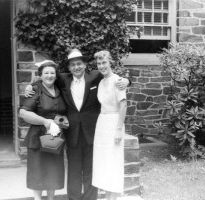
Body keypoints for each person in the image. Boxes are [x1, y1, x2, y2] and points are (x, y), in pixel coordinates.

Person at [24, 49, 130, 200]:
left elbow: (114, 77)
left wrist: (127, 81)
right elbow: (47, 78)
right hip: (71, 130)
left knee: (90, 169)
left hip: (93, 131)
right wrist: (31, 86)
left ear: (85, 64)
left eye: (79, 64)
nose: (76, 67)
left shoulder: (95, 75)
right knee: (73, 169)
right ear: (69, 67)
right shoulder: (63, 79)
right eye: (73, 65)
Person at [19, 60, 67, 200]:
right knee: (38, 170)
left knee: (53, 170)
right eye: (46, 73)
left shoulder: (59, 89)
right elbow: (23, 113)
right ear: (40, 75)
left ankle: (51, 198)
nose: (49, 76)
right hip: (38, 137)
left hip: (55, 137)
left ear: (56, 75)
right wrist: (45, 121)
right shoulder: (35, 90)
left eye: (52, 73)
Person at [92, 50, 127, 200]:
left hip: (114, 123)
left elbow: (123, 105)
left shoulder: (117, 80)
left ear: (110, 62)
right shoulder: (100, 82)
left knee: (113, 162)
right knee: (103, 162)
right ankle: (107, 197)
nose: (101, 66)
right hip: (102, 124)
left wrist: (119, 130)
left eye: (104, 62)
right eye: (99, 63)